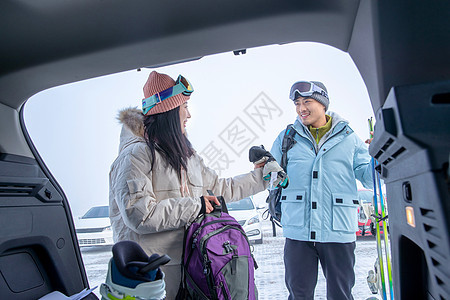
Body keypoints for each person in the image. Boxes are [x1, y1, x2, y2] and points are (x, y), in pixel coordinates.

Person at [109, 71, 275, 299]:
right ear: (167, 111)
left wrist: (263, 177)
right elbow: (140, 215)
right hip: (153, 276)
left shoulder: (187, 156)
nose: (188, 114)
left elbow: (222, 188)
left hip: (192, 268)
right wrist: (195, 206)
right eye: (183, 106)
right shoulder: (136, 156)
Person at [270, 80, 373, 300]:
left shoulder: (349, 138)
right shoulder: (286, 138)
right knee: (299, 295)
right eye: (297, 103)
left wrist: (379, 156)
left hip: (338, 231)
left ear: (323, 104)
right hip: (299, 232)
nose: (301, 109)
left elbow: (369, 178)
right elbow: (269, 177)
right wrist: (262, 166)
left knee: (341, 295)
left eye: (307, 102)